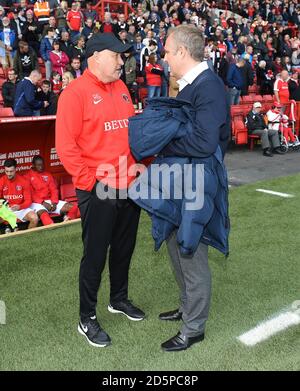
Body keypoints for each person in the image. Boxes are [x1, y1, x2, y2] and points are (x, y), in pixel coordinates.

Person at [56, 33, 145, 348]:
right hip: (99, 188)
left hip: (129, 185)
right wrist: (90, 184)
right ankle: (87, 318)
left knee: (124, 248)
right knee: (95, 255)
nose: (122, 61)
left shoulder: (121, 88)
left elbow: (129, 134)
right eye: (117, 55)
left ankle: (118, 299)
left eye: (123, 56)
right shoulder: (74, 94)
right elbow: (66, 147)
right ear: (95, 57)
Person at [157, 25, 230, 352]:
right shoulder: (192, 85)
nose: (165, 58)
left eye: (168, 52)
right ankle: (188, 307)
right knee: (177, 245)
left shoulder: (208, 86)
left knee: (191, 251)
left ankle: (194, 327)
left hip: (197, 182)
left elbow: (203, 142)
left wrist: (164, 145)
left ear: (183, 52)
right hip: (183, 179)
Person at [25, 155, 78, 226]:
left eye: (42, 165)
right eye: (38, 165)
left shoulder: (48, 174)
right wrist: (43, 203)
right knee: (44, 215)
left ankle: (68, 222)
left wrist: (54, 202)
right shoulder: (27, 176)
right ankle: (53, 229)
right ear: (33, 165)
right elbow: (31, 194)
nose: (41, 167)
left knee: (74, 207)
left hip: (50, 201)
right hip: (37, 203)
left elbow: (54, 189)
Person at [0, 159, 38, 231]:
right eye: (6, 171)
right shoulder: (1, 181)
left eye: (11, 171)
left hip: (20, 208)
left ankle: (28, 238)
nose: (8, 174)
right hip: (6, 210)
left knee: (34, 218)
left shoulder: (23, 181)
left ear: (15, 169)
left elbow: (28, 201)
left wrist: (20, 206)